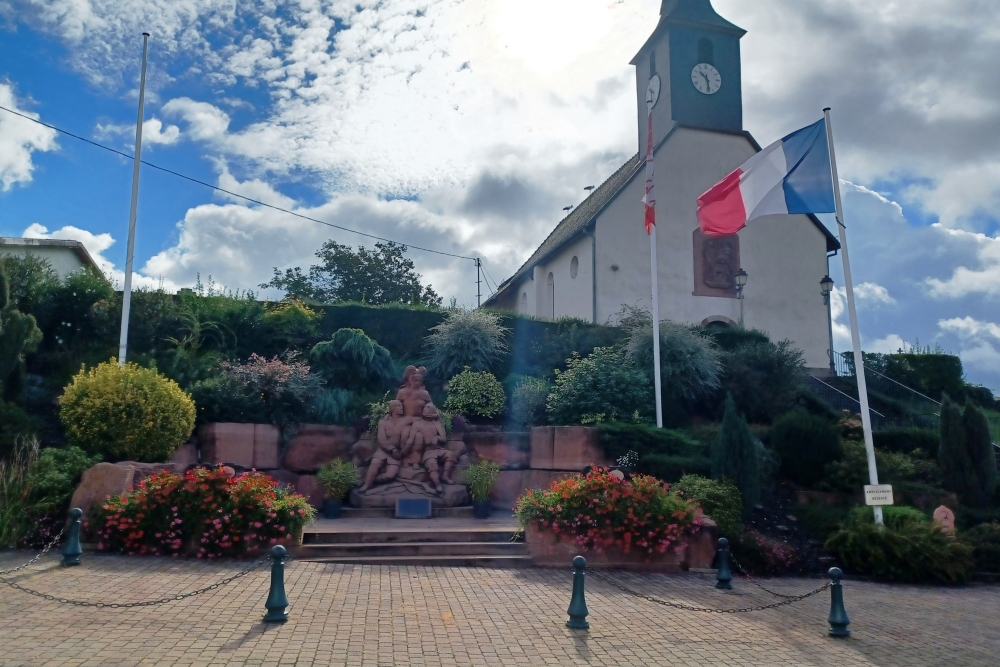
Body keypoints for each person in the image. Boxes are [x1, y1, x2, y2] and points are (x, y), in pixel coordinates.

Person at [400, 402, 455, 493]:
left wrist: (437, 438)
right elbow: (410, 439)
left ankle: (445, 476)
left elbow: (444, 438)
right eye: (424, 407)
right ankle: (437, 485)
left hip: (438, 449)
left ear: (432, 411)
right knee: (432, 465)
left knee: (451, 455)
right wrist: (403, 452)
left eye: (428, 407)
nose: (425, 409)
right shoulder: (417, 424)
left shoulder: (437, 423)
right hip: (428, 451)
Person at [359, 400, 406, 492]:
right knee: (375, 463)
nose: (402, 407)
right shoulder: (383, 423)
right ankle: (367, 485)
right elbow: (382, 440)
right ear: (392, 409)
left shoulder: (405, 422)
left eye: (402, 406)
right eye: (399, 406)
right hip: (383, 451)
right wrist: (392, 449)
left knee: (390, 475)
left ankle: (371, 480)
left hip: (396, 454)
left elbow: (417, 419)